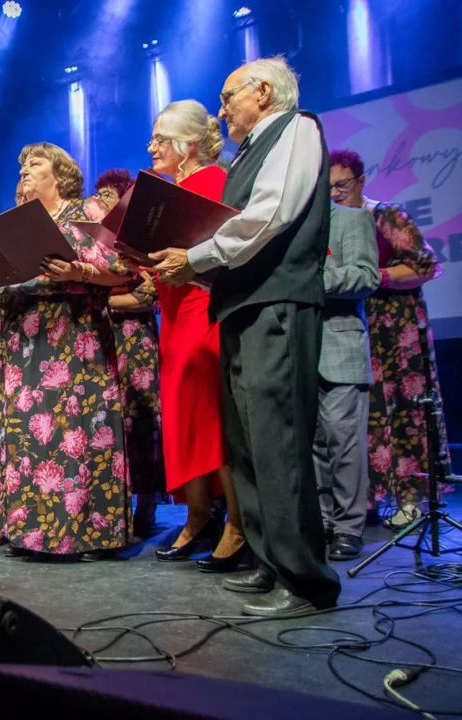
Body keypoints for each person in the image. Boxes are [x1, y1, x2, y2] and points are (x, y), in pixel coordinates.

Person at [151, 57, 341, 616]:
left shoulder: (296, 127)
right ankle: (268, 562)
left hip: (276, 303)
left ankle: (305, 580)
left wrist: (199, 256)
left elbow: (272, 211)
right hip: (241, 305)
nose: (222, 107)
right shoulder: (250, 148)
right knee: (249, 446)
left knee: (278, 444)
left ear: (262, 90)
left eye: (228, 94)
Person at [0, 142, 133, 559]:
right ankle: (31, 531)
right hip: (23, 339)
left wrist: (80, 271)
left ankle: (89, 533)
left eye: (35, 164)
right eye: (21, 167)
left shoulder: (85, 211)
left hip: (73, 336)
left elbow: (125, 269)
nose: (24, 172)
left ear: (61, 173)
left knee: (77, 433)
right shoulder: (17, 224)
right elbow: (2, 286)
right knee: (27, 435)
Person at [144, 100, 247, 573]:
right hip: (172, 309)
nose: (152, 147)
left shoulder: (213, 180)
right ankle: (198, 514)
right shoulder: (175, 187)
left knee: (210, 419)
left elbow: (225, 251)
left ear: (186, 143)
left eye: (160, 139)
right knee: (185, 418)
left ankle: (237, 525)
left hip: (202, 308)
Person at [328, 149, 450, 529]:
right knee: (365, 417)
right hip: (358, 327)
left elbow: (425, 266)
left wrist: (374, 276)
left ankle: (410, 498)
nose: (334, 194)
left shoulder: (385, 215)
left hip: (397, 328)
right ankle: (364, 499)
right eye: (327, 187)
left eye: (342, 185)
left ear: (361, 181)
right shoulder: (329, 223)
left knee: (404, 411)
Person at [93, 168, 166, 539]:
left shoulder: (138, 239)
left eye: (110, 194)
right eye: (100, 193)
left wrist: (97, 297)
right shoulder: (93, 241)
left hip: (134, 339)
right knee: (109, 424)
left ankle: (148, 502)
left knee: (139, 420)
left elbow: (147, 297)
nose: (103, 199)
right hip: (103, 335)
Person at [314, 203, 379, 560]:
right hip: (302, 348)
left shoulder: (352, 219)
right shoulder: (295, 222)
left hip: (340, 345)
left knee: (344, 442)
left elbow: (368, 276)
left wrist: (313, 277)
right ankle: (324, 520)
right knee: (314, 446)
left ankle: (349, 527)